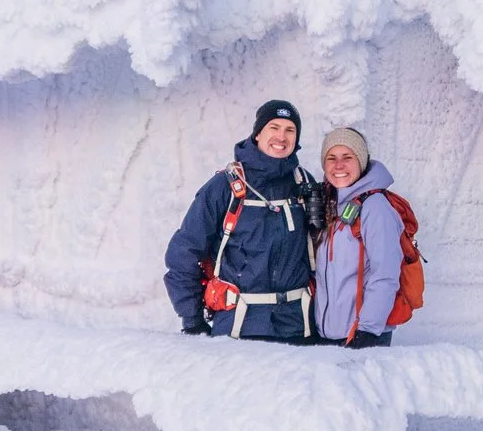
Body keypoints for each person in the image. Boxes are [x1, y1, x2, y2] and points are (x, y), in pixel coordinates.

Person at [164, 99, 317, 341]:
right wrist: (192, 319)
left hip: (298, 327)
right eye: (274, 128)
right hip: (238, 330)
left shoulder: (304, 184)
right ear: (258, 134)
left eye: (290, 130)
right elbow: (183, 253)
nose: (281, 137)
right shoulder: (225, 187)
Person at [312, 127, 405, 348]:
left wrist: (367, 331)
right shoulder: (330, 205)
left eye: (348, 157)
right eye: (331, 158)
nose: (339, 165)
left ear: (361, 162)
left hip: (362, 336)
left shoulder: (375, 207)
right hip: (328, 336)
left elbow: (385, 273)